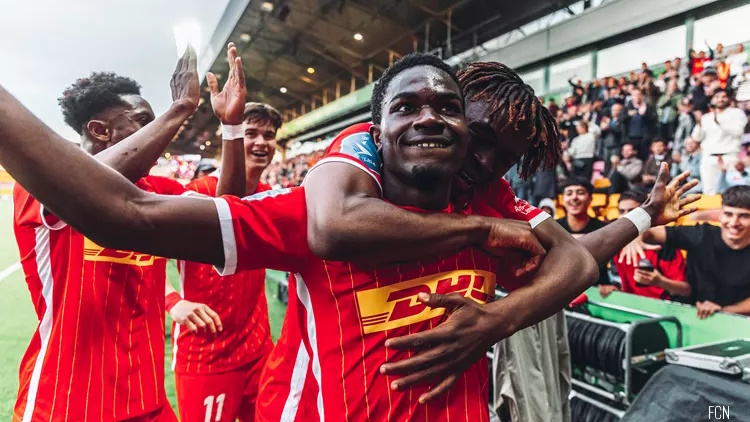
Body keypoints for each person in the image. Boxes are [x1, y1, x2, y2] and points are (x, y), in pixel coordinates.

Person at [0, 54, 699, 420]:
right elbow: (128, 214)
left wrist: (494, 321)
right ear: (376, 131)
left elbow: (574, 260)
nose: (479, 162)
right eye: (408, 107)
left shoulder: (496, 211)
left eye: (450, 113)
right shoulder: (321, 205)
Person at [10, 49, 210, 422]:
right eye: (143, 122)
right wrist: (180, 107)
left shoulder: (157, 189)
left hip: (148, 398)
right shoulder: (43, 184)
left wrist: (232, 132)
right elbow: (89, 187)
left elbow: (228, 206)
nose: (158, 133)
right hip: (68, 402)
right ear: (100, 130)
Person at [168, 82, 281, 422]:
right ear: (231, 137)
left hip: (260, 349)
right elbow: (143, 257)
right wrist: (173, 302)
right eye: (251, 133)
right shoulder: (195, 194)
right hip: (206, 354)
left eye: (269, 135)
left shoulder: (271, 196)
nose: (262, 142)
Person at [624, 186, 750, 318]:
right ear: (720, 214)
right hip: (691, 313)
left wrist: (724, 310)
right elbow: (648, 232)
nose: (734, 223)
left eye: (744, 216)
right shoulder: (701, 235)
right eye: (728, 214)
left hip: (740, 320)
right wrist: (635, 238)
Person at [600, 191, 689, 300]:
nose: (626, 216)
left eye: (632, 212)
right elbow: (619, 278)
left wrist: (660, 282)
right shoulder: (616, 243)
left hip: (665, 309)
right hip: (633, 306)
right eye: (621, 211)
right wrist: (614, 286)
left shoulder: (664, 247)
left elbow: (686, 290)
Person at [692, 88, 749, 194]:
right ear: (712, 100)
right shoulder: (706, 117)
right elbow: (696, 138)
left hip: (730, 157)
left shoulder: (737, 113)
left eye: (723, 97)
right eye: (717, 97)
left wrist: (719, 123)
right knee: (709, 191)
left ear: (729, 99)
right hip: (709, 157)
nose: (720, 100)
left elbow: (738, 131)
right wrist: (699, 123)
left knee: (732, 191)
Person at [556, 179, 609, 287]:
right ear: (562, 200)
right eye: (569, 193)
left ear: (590, 199)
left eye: (580, 193)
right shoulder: (553, 227)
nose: (574, 198)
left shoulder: (603, 229)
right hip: (559, 286)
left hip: (596, 288)